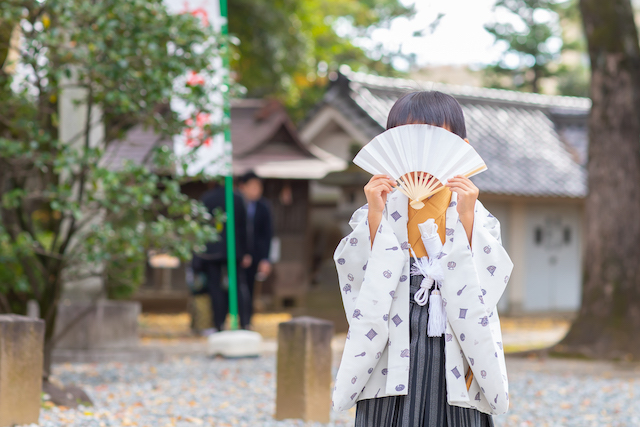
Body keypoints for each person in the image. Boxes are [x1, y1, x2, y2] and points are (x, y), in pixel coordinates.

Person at [332, 91, 514, 426]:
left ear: (461, 146)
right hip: (394, 329)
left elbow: (489, 279)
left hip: (453, 332)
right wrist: (375, 213)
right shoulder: (379, 206)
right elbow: (357, 272)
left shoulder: (471, 209)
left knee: (453, 406)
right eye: (407, 137)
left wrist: (468, 215)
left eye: (435, 138)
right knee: (389, 402)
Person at [199, 180, 252, 333]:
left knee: (215, 288)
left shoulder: (207, 198)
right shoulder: (237, 197)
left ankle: (219, 323)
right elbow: (244, 227)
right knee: (238, 286)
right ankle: (245, 322)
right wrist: (246, 251)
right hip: (235, 249)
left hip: (212, 250)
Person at [237, 171, 273, 327]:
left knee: (250, 289)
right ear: (242, 187)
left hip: (256, 255)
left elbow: (268, 234)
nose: (256, 190)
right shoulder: (236, 205)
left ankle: (246, 321)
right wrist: (242, 253)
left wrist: (265, 258)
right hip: (237, 255)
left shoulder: (263, 207)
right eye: (252, 186)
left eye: (258, 186)